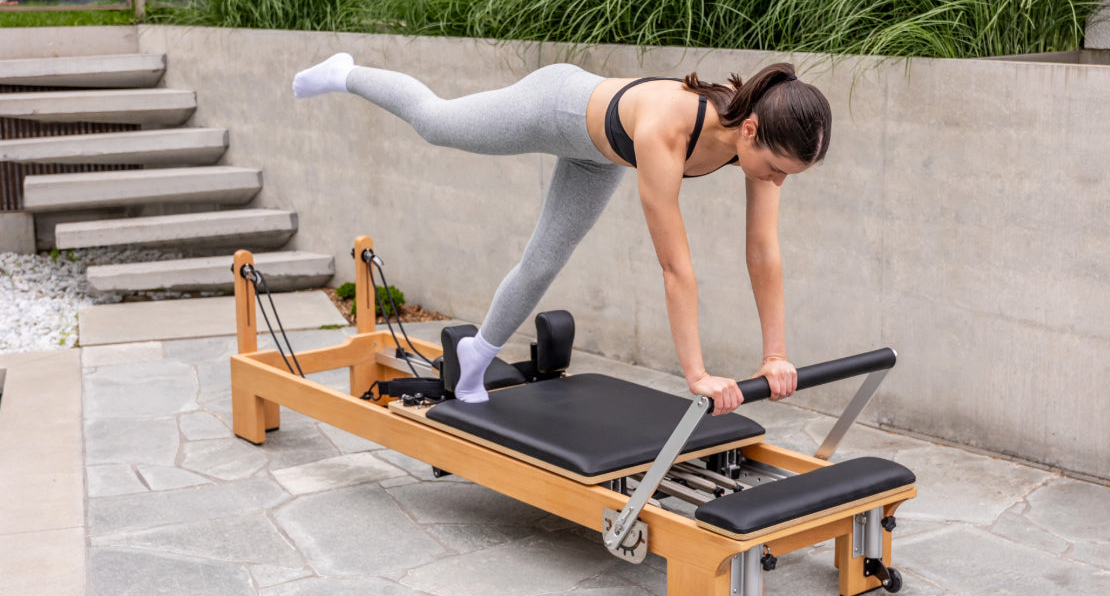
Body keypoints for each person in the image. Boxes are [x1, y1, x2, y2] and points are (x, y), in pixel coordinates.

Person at [293, 55, 830, 414]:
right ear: (752, 129)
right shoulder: (668, 128)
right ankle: (346, 73)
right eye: (777, 168)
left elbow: (763, 253)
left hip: (599, 155)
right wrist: (698, 376)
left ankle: (477, 358)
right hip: (554, 108)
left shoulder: (759, 145)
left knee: (545, 259)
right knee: (436, 122)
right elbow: (674, 267)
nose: (777, 181)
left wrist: (775, 355)